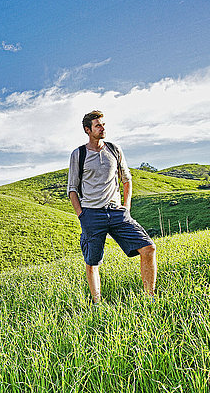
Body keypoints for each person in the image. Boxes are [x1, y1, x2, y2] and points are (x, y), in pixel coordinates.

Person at [67, 110, 156, 304]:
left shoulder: (114, 150)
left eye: (103, 124)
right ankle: (97, 303)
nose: (102, 128)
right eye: (98, 125)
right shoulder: (78, 154)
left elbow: (127, 179)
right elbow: (72, 189)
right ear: (87, 130)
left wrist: (126, 207)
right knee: (92, 262)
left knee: (148, 248)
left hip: (117, 213)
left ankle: (150, 298)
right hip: (91, 214)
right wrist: (82, 215)